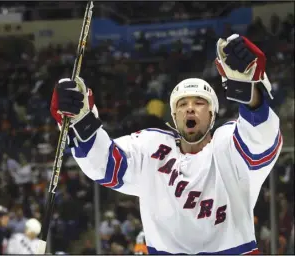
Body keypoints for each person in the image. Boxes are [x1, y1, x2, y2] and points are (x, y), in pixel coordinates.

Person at [50, 34, 282, 254]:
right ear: (174, 116)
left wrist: (249, 91)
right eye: (182, 104)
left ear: (212, 114)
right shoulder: (151, 148)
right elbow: (103, 164)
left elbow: (260, 139)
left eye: (200, 102)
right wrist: (80, 121)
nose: (190, 108)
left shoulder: (230, 145)